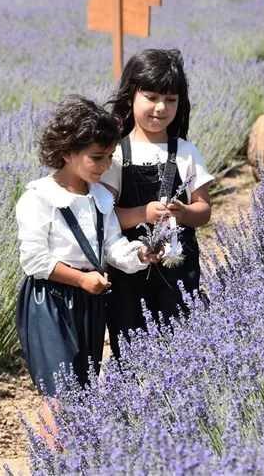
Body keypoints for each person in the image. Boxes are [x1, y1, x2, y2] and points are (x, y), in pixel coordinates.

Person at [15, 95, 159, 448]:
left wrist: (142, 253)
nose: (104, 165)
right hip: (50, 300)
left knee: (82, 386)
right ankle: (51, 462)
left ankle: (71, 459)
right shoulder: (38, 197)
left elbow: (112, 250)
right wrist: (80, 278)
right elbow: (34, 261)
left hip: (90, 299)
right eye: (97, 157)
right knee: (59, 389)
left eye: (109, 157)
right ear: (67, 152)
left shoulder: (101, 199)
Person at [100, 49, 215, 359]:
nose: (161, 107)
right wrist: (143, 214)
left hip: (179, 268)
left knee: (180, 338)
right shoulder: (116, 156)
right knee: (130, 339)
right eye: (151, 97)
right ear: (130, 97)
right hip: (128, 269)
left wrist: (185, 212)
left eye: (171, 99)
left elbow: (204, 210)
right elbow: (104, 216)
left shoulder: (187, 152)